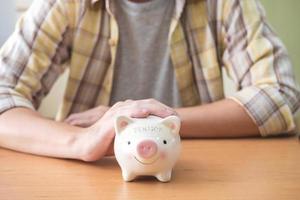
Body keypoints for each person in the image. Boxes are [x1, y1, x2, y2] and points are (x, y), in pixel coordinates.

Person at [0, 0, 299, 161]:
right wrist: (83, 140)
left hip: (190, 174)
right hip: (90, 176)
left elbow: (282, 96)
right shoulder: (64, 4)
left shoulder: (224, 4)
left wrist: (148, 119)